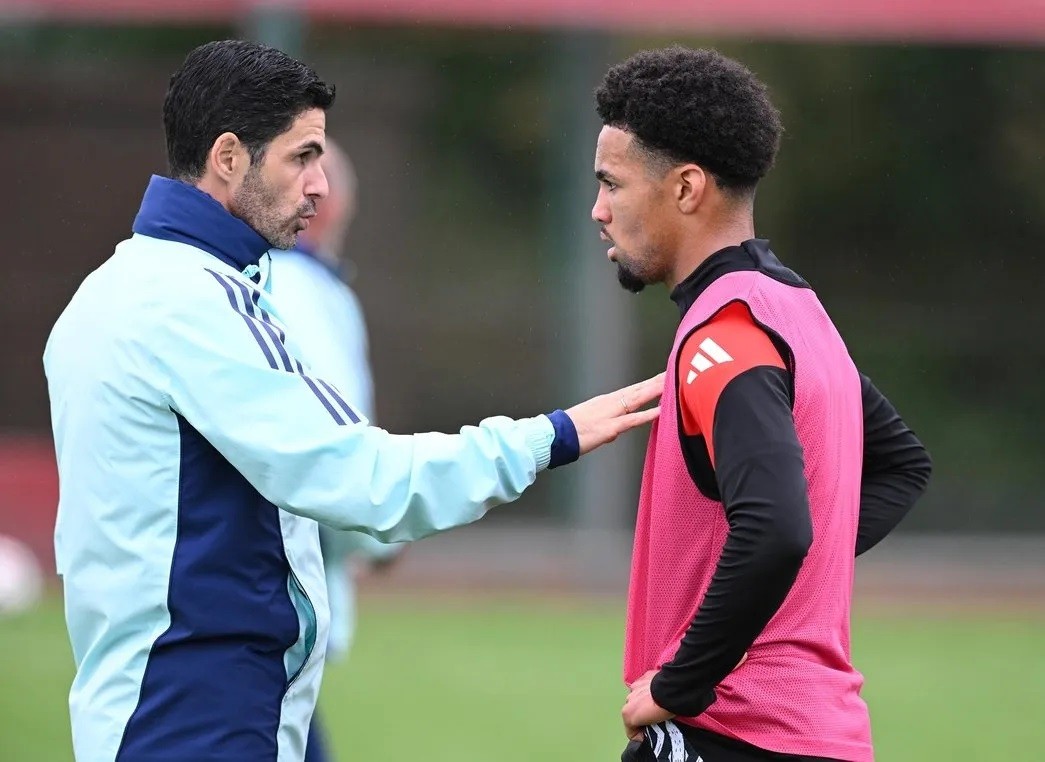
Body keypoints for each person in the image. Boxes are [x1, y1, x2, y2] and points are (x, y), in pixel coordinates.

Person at [43, 39, 662, 762]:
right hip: (199, 715)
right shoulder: (193, 305)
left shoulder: (118, 289)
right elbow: (366, 480)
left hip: (161, 706)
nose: (319, 186)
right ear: (228, 157)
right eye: (302, 156)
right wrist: (550, 436)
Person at [589, 47, 933, 762]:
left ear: (685, 188)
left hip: (733, 733)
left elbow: (777, 528)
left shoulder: (724, 334)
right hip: (819, 734)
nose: (598, 211)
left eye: (612, 185)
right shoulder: (794, 308)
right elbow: (901, 465)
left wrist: (681, 683)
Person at [267, 139, 402, 762]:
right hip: (272, 590)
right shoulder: (301, 288)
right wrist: (377, 538)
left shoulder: (258, 279)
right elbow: (333, 436)